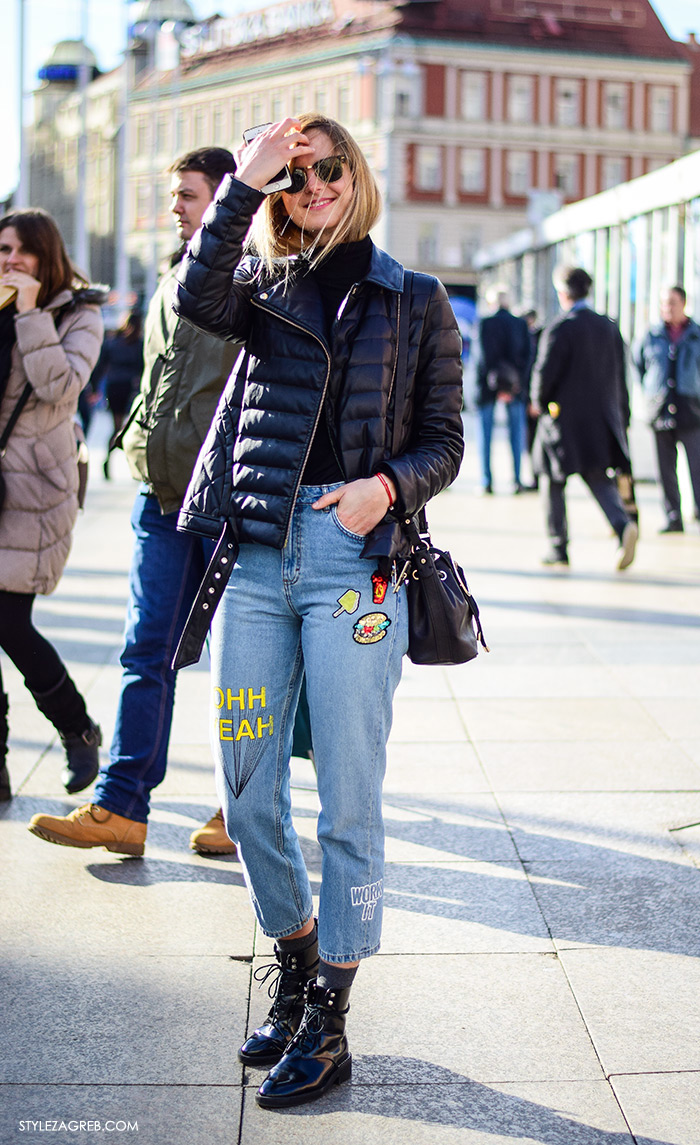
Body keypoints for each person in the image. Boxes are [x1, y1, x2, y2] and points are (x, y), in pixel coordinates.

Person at [170, 113, 464, 1110]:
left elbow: (444, 440)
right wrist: (240, 184)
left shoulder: (416, 299)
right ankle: (296, 956)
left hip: (355, 560)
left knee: (348, 794)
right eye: (294, 178)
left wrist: (388, 485)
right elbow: (190, 294)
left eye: (327, 170)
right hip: (258, 557)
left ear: (356, 174)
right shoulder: (259, 286)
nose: (315, 187)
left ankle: (330, 1011)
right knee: (247, 790)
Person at [28, 148, 241, 854]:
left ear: (224, 198)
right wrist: (137, 440)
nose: (173, 205)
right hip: (160, 494)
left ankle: (238, 808)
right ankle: (123, 805)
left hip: (226, 500)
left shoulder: (250, 277)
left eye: (185, 193)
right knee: (145, 648)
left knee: (240, 660)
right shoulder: (173, 274)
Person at [0, 208, 105, 801]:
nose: (10, 260)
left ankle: (76, 728)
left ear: (46, 255)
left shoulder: (77, 314)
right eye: (2, 249)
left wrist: (31, 312)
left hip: (34, 491)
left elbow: (61, 388)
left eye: (22, 250)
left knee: (9, 621)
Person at [531, 265, 638, 570]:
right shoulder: (609, 326)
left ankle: (558, 546)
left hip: (562, 420)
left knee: (551, 479)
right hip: (601, 419)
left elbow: (545, 372)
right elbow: (621, 375)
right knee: (597, 476)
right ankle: (621, 524)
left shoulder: (561, 327)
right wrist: (622, 413)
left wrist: (538, 401)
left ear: (563, 292)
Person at [634, 285, 700, 533]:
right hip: (660, 409)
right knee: (665, 469)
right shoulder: (651, 335)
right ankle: (673, 518)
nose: (666, 308)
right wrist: (651, 391)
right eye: (663, 303)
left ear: (683, 303)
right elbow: (639, 365)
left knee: (697, 465)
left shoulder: (695, 334)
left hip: (691, 409)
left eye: (671, 302)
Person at [476, 286, 531, 494]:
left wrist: (495, 385)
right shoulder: (519, 323)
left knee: (486, 435)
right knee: (517, 434)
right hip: (515, 387)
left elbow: (482, 358)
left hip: (487, 387)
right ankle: (516, 479)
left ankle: (486, 481)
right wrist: (513, 386)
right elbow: (527, 357)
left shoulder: (484, 323)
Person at [97, 310, 144, 479]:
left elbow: (101, 366)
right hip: (129, 389)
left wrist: (95, 388)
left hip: (115, 387)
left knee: (117, 428)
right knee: (130, 428)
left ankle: (108, 460)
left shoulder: (114, 341)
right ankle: (132, 465)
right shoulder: (139, 344)